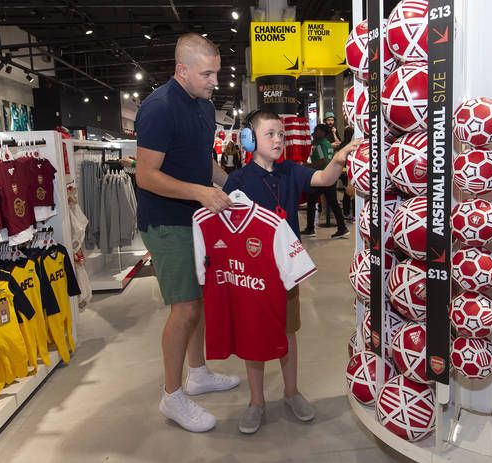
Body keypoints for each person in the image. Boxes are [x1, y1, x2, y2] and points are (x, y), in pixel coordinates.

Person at [223, 110, 361, 434]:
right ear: (249, 139)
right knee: (253, 335)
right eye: (270, 134)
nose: (278, 140)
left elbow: (324, 179)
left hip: (285, 270)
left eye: (281, 135)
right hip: (252, 274)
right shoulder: (238, 180)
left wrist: (339, 157)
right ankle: (256, 401)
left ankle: (291, 392)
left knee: (288, 332)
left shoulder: (290, 171)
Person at [134, 32, 240, 434]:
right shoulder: (159, 108)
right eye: (207, 73)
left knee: (199, 300)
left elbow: (202, 162)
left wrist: (232, 184)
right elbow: (146, 176)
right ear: (182, 70)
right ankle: (172, 394)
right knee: (186, 307)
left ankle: (197, 373)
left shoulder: (203, 106)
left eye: (217, 72)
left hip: (195, 218)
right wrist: (200, 192)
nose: (215, 81)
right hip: (166, 220)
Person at [301, 124, 351, 239]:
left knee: (312, 201)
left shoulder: (320, 144)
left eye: (317, 131)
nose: (314, 132)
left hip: (321, 176)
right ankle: (342, 228)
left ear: (323, 132)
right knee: (332, 202)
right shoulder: (328, 143)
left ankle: (310, 228)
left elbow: (323, 161)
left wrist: (308, 165)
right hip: (330, 175)